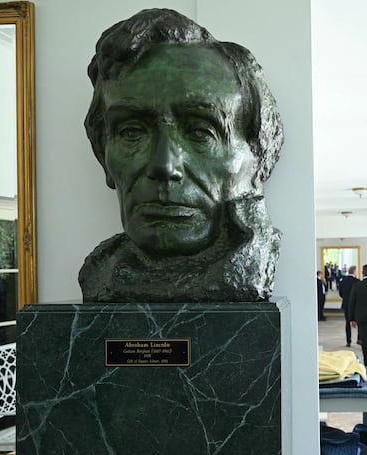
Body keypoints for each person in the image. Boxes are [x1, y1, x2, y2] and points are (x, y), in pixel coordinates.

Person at [79, 8, 284, 303]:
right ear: (103, 153)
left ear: (257, 159)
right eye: (131, 132)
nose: (164, 166)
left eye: (201, 132)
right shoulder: (101, 274)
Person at [338, 265, 359, 347]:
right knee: (359, 322)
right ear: (354, 272)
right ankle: (359, 339)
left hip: (346, 304)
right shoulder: (357, 281)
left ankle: (348, 341)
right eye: (357, 271)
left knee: (348, 323)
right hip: (357, 305)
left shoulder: (343, 281)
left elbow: (340, 293)